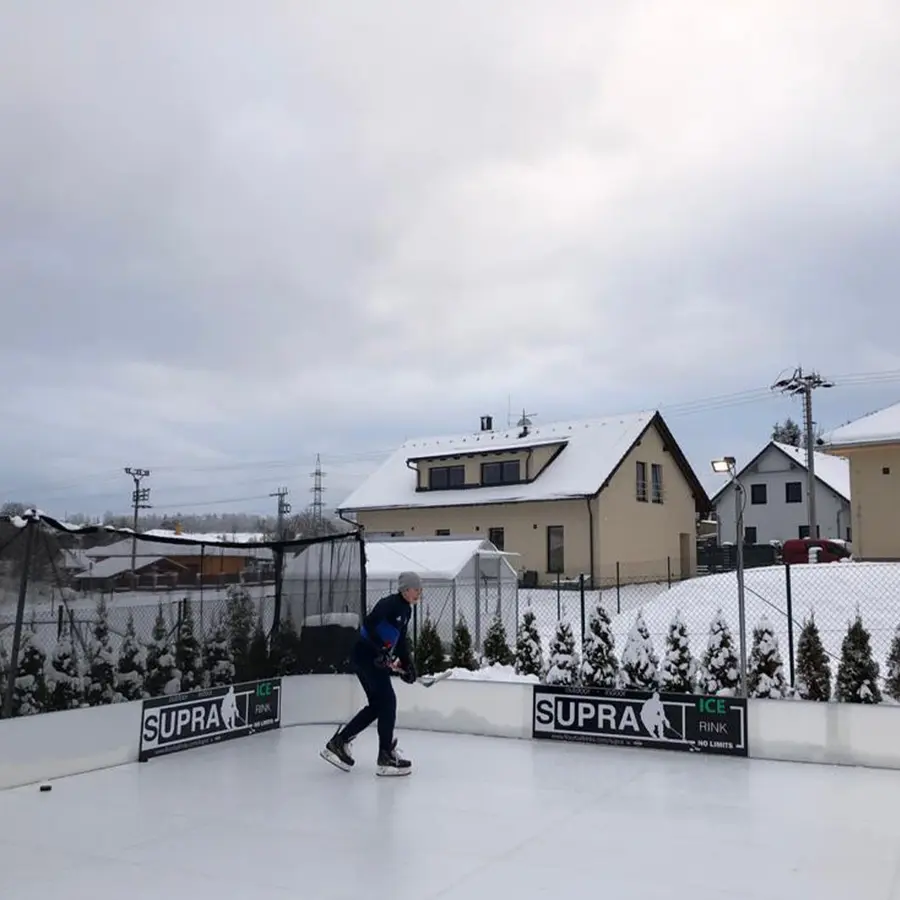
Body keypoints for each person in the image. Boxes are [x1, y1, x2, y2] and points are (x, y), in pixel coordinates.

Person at [321, 571, 422, 776]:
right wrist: (380, 650)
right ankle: (385, 756)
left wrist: (408, 665)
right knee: (388, 702)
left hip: (372, 659)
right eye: (416, 589)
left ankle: (339, 743)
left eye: (420, 589)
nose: (419, 593)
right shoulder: (389, 604)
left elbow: (400, 641)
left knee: (378, 705)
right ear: (405, 589)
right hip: (365, 656)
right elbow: (368, 624)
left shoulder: (406, 610)